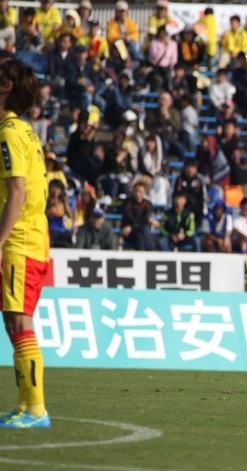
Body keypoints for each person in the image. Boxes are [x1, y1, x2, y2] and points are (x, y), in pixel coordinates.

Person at [0, 61, 51, 428]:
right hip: (30, 236)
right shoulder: (24, 130)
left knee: (20, 321)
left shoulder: (9, 132)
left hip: (20, 239)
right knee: (13, 321)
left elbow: (17, 192)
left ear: (6, 87)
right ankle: (24, 406)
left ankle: (36, 410)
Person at [121, 182, 157, 251]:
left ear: (144, 192)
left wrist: (132, 226)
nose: (138, 194)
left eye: (140, 191)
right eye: (136, 191)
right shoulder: (127, 203)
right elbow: (130, 218)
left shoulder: (148, 204)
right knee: (142, 232)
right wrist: (134, 225)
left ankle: (148, 251)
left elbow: (145, 218)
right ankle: (151, 251)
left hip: (140, 230)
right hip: (129, 233)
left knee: (142, 231)